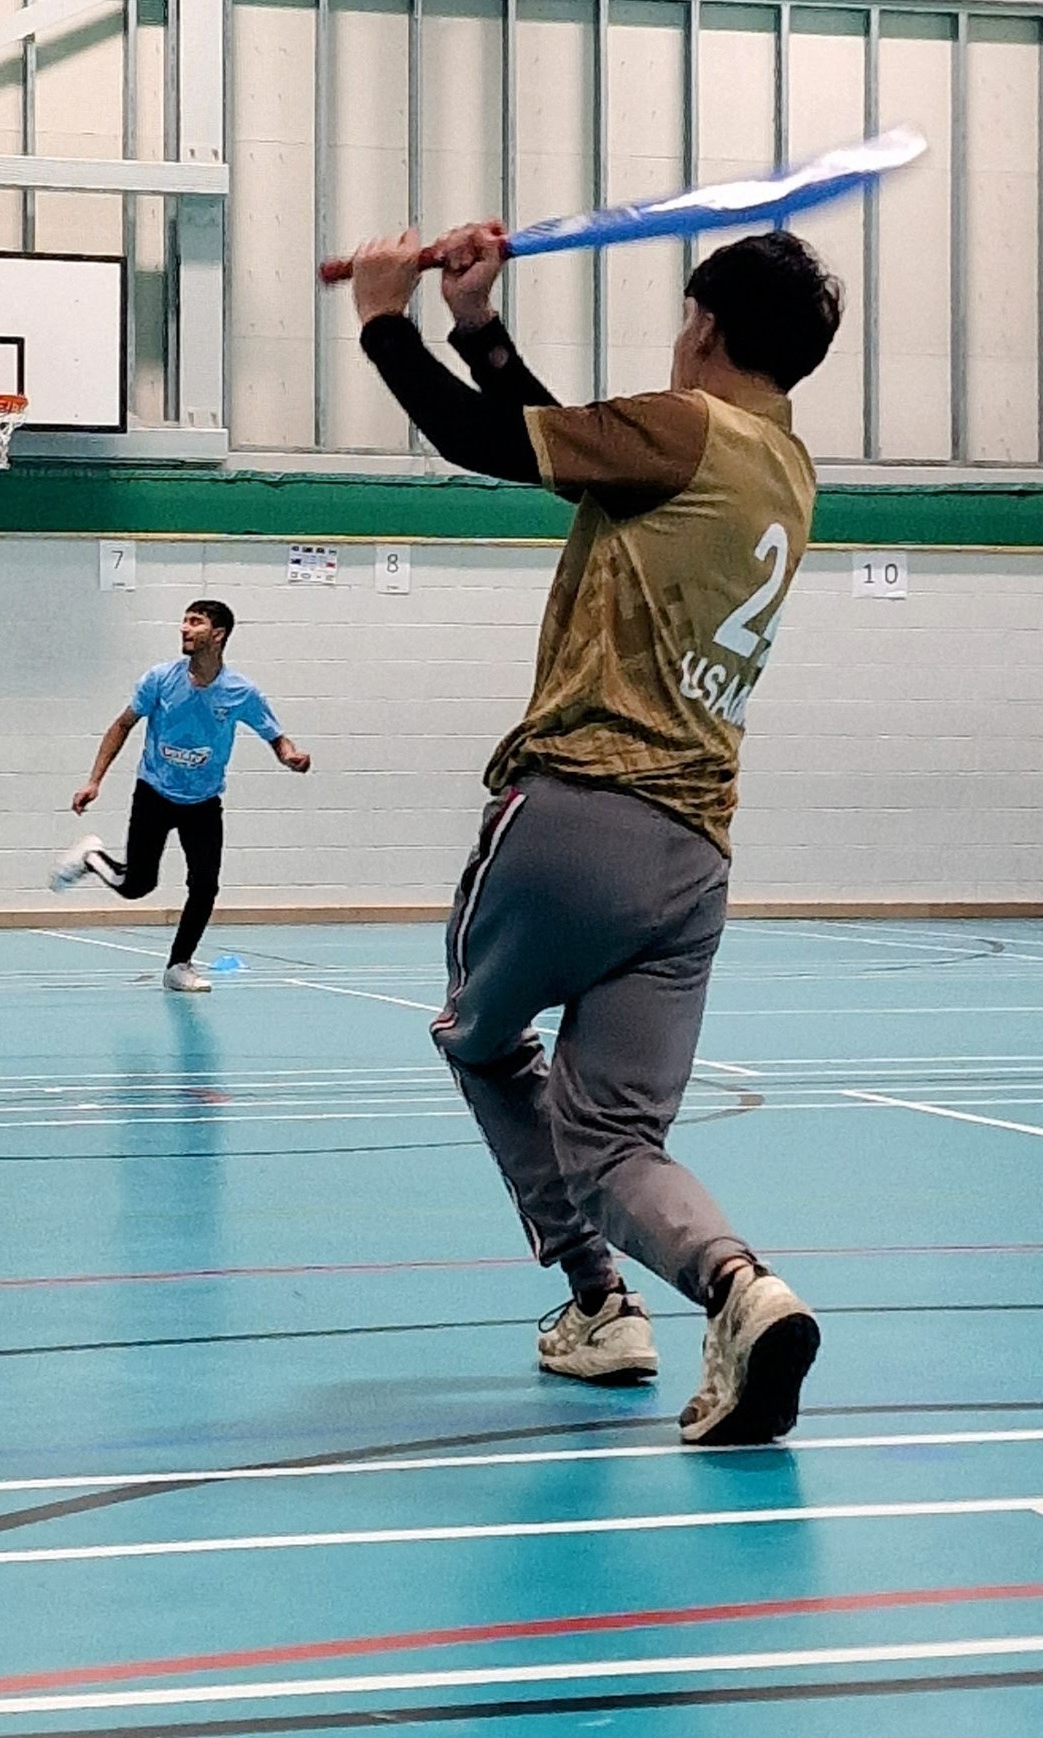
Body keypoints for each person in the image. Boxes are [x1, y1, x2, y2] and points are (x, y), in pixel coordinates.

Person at [349, 220, 842, 1445]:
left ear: (707, 330)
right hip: (693, 858)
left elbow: (481, 440)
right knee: (617, 1137)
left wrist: (380, 320)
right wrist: (475, 324)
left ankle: (596, 1296)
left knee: (476, 1038)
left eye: (685, 322)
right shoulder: (782, 467)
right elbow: (570, 453)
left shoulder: (682, 426)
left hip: (573, 813)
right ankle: (740, 1288)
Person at [49, 600, 311, 992]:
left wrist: (288, 755)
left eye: (196, 623)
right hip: (154, 793)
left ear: (218, 634)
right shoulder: (160, 678)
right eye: (184, 621)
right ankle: (91, 857)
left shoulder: (241, 692)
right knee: (137, 886)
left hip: (203, 803)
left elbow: (275, 735)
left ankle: (179, 965)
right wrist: (94, 780)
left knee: (205, 885)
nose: (184, 629)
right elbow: (122, 725)